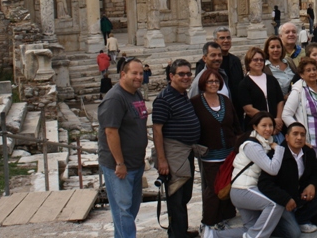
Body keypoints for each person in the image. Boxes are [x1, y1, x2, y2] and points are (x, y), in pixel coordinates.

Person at [202, 112, 286, 238]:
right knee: (275, 204)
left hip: (243, 191)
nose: (268, 129)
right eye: (264, 125)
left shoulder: (264, 143)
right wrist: (279, 149)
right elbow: (272, 169)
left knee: (250, 228)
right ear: (255, 127)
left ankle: (213, 235)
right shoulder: (252, 146)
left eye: (270, 125)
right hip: (243, 190)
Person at [97, 58, 149, 238]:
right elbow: (111, 132)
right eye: (134, 73)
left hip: (135, 163)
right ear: (123, 74)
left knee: (131, 209)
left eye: (141, 73)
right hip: (119, 166)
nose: (139, 77)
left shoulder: (136, 94)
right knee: (123, 210)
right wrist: (119, 163)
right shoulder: (115, 98)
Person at [152, 59, 201, 238]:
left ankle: (179, 230)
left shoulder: (181, 95)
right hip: (173, 155)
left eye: (188, 74)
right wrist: (162, 160)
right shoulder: (164, 99)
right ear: (171, 76)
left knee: (184, 195)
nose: (186, 77)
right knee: (176, 196)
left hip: (185, 153)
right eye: (181, 74)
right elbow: (156, 130)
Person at [191, 69, 242, 232]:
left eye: (216, 81)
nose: (213, 84)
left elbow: (234, 123)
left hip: (228, 152)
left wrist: (238, 141)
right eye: (210, 81)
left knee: (227, 185)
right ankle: (208, 221)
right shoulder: (196, 102)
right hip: (210, 154)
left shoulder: (225, 100)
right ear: (203, 84)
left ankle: (225, 217)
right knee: (213, 188)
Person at [258, 123, 317, 237]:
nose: (299, 138)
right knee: (293, 234)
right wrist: (285, 199)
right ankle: (271, 226)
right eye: (295, 134)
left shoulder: (308, 152)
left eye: (302, 135)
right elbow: (264, 184)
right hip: (281, 201)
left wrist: (312, 185)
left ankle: (301, 220)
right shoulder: (277, 154)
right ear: (286, 137)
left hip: (298, 197)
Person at [283, 58, 317, 149]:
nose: (312, 72)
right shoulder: (298, 90)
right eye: (308, 70)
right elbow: (286, 115)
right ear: (301, 74)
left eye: (314, 69)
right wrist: (298, 131)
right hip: (311, 141)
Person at [234, 47, 285, 134]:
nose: (259, 62)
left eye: (261, 60)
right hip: (256, 126)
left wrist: (278, 119)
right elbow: (248, 109)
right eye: (255, 60)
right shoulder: (244, 84)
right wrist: (270, 121)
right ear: (249, 62)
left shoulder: (271, 79)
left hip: (276, 126)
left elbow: (280, 100)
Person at [211, 26, 246, 103]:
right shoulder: (207, 63)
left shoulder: (236, 61)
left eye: (228, 38)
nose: (226, 41)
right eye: (222, 38)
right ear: (215, 41)